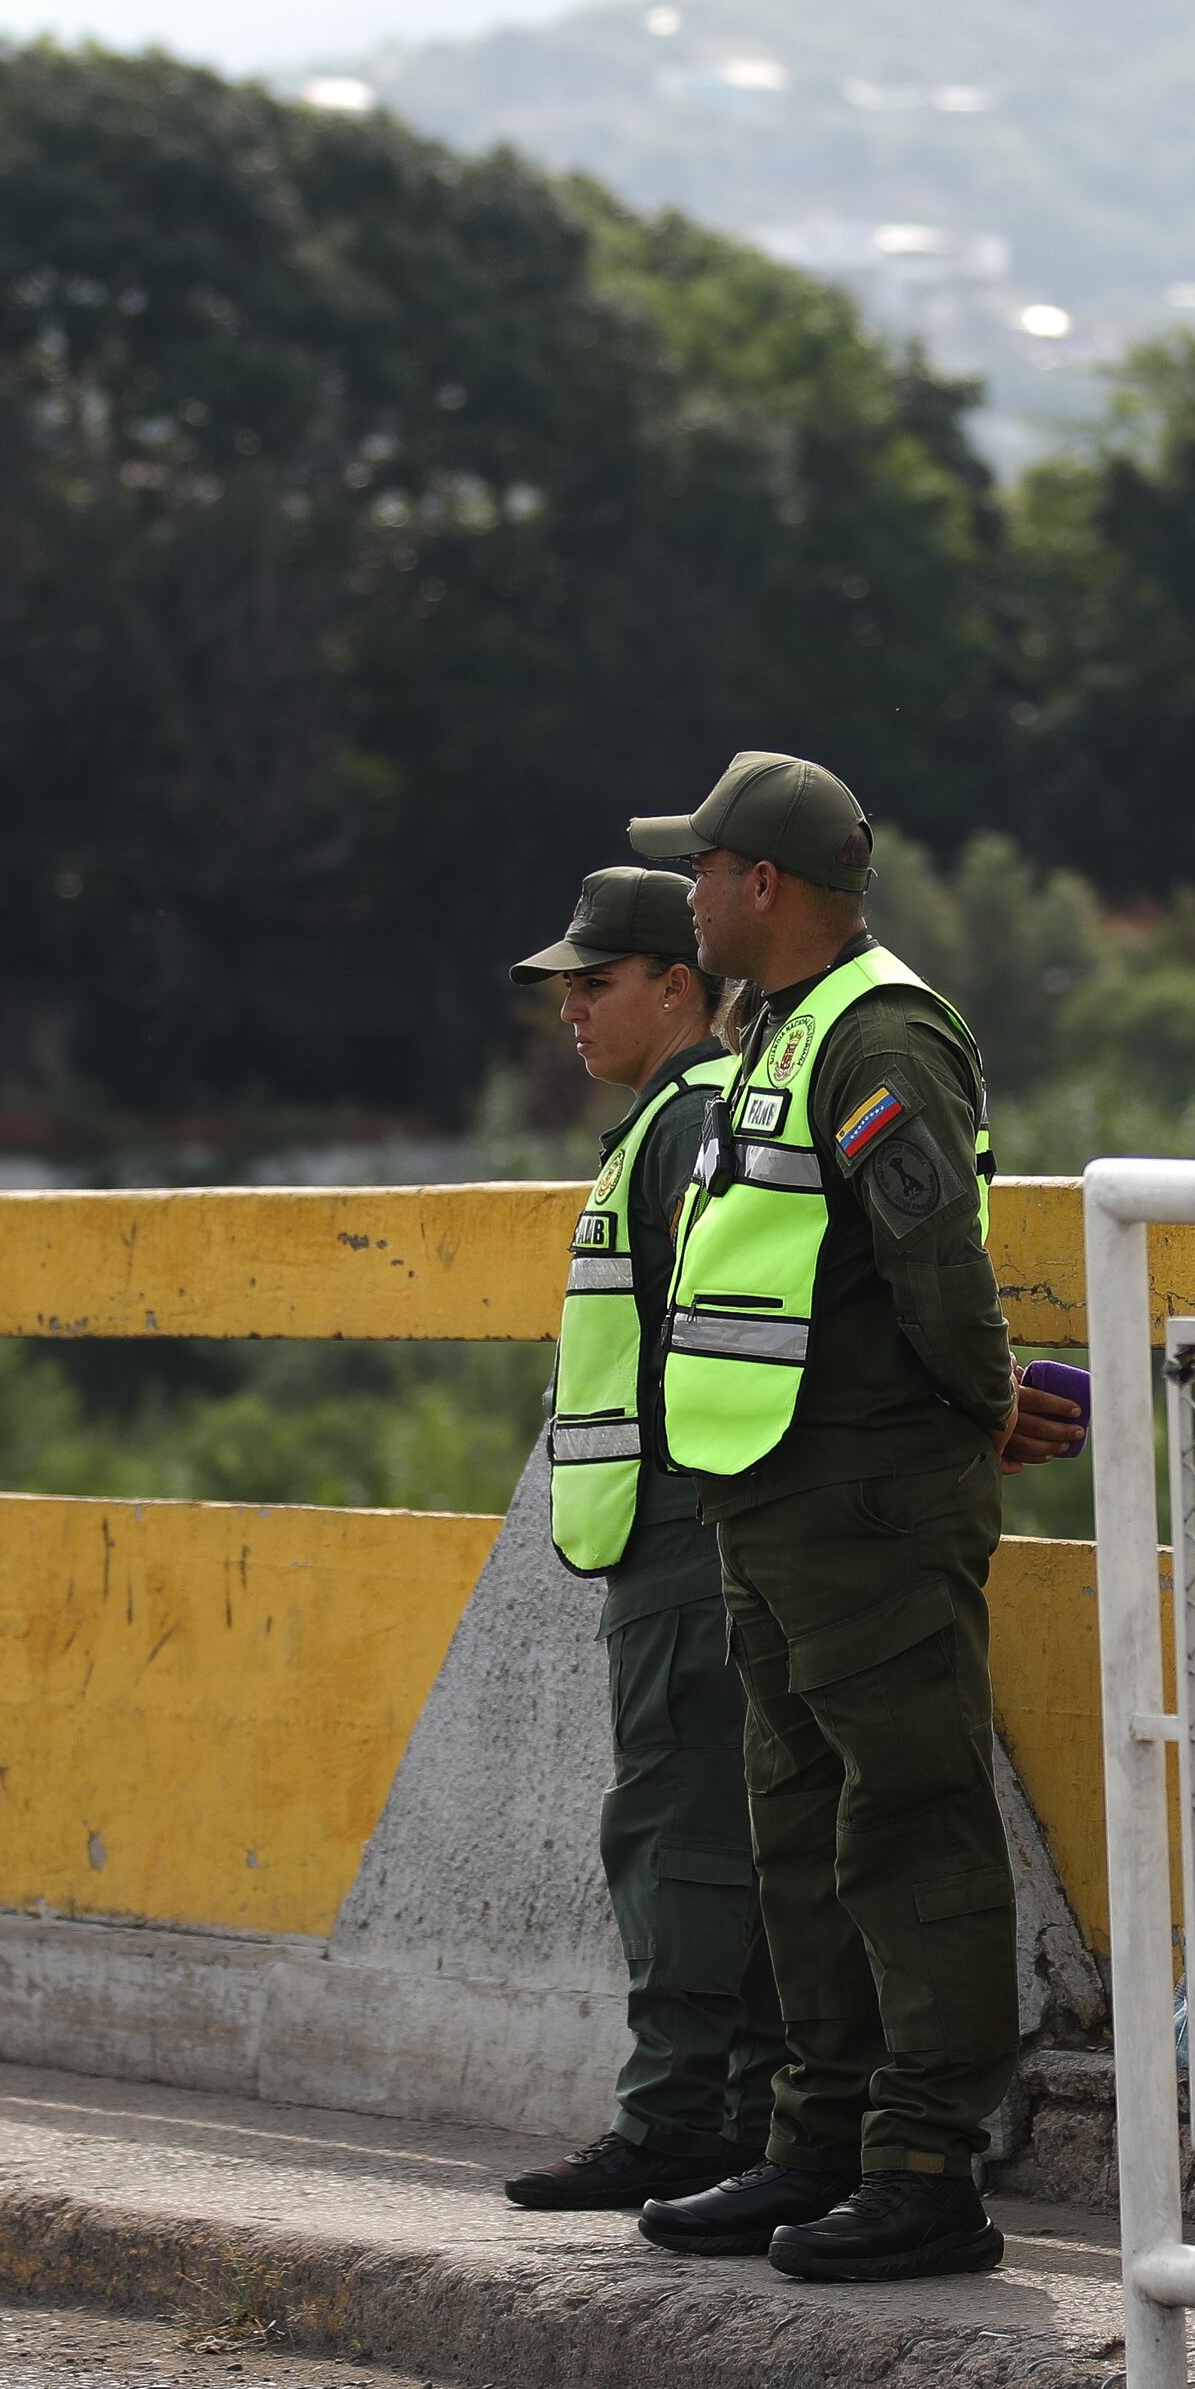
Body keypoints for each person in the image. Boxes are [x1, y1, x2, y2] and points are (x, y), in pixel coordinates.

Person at [620, 749, 1083, 2283]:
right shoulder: (782, 1032)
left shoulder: (880, 1035)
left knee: (911, 1819)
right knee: (802, 1828)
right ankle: (814, 2141)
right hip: (775, 1497)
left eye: (699, 870)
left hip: (873, 1498)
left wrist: (977, 1406)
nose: (686, 895)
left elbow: (937, 1263)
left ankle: (927, 2164)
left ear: (765, 883)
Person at [496, 866, 787, 2214]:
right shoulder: (684, 1120)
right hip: (679, 1536)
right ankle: (736, 2117)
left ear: (681, 984)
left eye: (597, 981)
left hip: (688, 1541)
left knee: (677, 1833)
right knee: (724, 1829)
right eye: (565, 987)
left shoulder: (687, 1128)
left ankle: (679, 2122)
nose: (571, 1009)